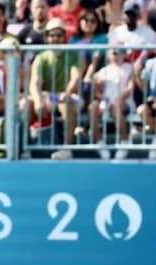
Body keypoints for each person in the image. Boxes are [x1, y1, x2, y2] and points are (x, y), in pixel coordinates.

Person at [28, 18, 84, 160]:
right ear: (47, 37)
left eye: (59, 35)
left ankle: (67, 149)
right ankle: (24, 147)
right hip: (49, 96)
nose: (55, 38)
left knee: (66, 102)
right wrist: (38, 101)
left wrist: (67, 93)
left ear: (65, 37)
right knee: (25, 104)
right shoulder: (41, 57)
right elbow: (35, 83)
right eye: (52, 35)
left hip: (69, 96)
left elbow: (76, 78)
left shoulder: (73, 54)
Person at [89, 46, 134, 160]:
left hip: (124, 102)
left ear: (124, 55)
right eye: (113, 53)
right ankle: (99, 143)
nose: (116, 56)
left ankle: (124, 141)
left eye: (118, 53)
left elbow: (130, 88)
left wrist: (119, 98)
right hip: (106, 103)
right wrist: (102, 95)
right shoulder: (104, 70)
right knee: (92, 107)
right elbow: (93, 86)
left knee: (116, 106)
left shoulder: (129, 68)